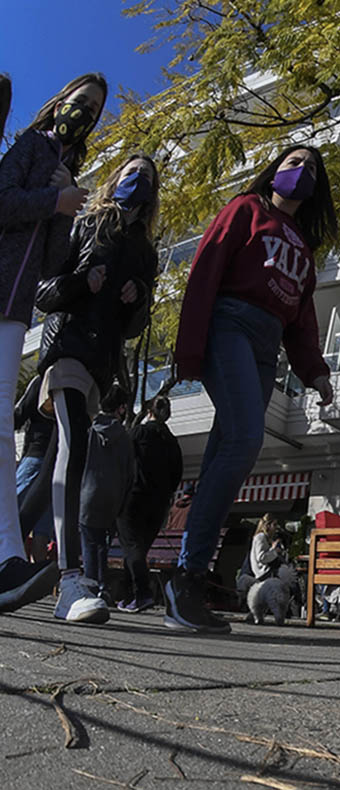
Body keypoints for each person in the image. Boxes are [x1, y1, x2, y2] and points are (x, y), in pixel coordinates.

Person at [167, 145, 338, 634]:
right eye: (293, 162)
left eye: (311, 168)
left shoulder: (303, 248)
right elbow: (204, 271)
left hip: (268, 347)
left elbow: (303, 320)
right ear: (274, 170)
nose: (301, 170)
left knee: (230, 449)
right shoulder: (245, 209)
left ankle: (188, 580)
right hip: (230, 326)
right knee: (245, 439)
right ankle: (187, 577)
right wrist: (189, 350)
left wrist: (315, 371)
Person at [26, 152, 159, 623]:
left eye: (146, 177)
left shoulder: (146, 251)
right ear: (115, 179)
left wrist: (136, 299)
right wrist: (84, 281)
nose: (138, 181)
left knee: (52, 468)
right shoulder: (85, 225)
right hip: (67, 348)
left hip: (102, 366)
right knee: (74, 444)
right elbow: (45, 291)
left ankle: (9, 545)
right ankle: (69, 580)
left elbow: (133, 328)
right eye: (131, 173)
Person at [0, 74, 102, 614]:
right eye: (79, 102)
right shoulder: (29, 147)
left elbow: (51, 264)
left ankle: (4, 562)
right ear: (60, 102)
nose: (83, 113)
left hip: (17, 310)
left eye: (93, 110)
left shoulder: (68, 170)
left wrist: (66, 207)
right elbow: (2, 200)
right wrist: (51, 199)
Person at [116, 395, 183, 612]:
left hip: (135, 496)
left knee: (131, 545)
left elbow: (123, 461)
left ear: (148, 411)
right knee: (139, 548)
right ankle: (129, 595)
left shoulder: (138, 433)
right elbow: (177, 474)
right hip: (159, 502)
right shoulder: (172, 441)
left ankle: (142, 593)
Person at [77, 385, 135, 608]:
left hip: (88, 493)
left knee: (89, 543)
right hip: (113, 498)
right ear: (121, 408)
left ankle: (92, 589)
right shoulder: (124, 436)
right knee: (103, 544)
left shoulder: (90, 431)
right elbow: (130, 473)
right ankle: (103, 588)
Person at [13, 375, 55, 561]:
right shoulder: (77, 380)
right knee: (41, 530)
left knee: (12, 517)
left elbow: (19, 414)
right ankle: (38, 580)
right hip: (56, 463)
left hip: (35, 455)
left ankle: (14, 568)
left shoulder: (42, 380)